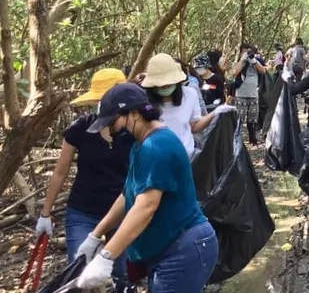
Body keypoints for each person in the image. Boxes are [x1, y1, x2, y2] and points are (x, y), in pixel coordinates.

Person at [75, 83, 218, 292]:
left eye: (113, 122)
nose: (111, 130)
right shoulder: (141, 145)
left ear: (134, 114)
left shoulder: (157, 147)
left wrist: (107, 256)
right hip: (167, 248)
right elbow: (128, 195)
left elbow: (146, 206)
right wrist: (95, 236)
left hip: (184, 247)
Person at [36, 69, 133, 293]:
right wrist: (45, 213)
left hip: (122, 211)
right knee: (78, 268)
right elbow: (60, 172)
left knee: (120, 272)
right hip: (83, 210)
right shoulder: (79, 128)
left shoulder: (133, 131)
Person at [142, 53, 233, 158]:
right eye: (160, 85)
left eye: (168, 84)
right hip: (155, 159)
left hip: (186, 158)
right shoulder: (144, 100)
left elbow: (194, 126)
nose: (165, 87)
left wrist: (215, 113)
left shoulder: (190, 94)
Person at [232, 43, 268, 146]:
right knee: (240, 118)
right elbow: (235, 72)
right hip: (241, 94)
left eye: (248, 51)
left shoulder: (256, 60)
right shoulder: (240, 61)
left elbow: (263, 71)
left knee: (252, 118)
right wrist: (243, 60)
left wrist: (253, 60)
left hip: (253, 94)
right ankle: (237, 139)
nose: (246, 53)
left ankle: (252, 138)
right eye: (244, 51)